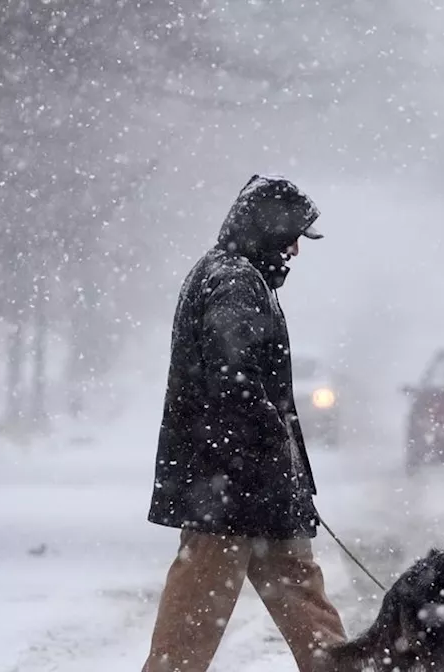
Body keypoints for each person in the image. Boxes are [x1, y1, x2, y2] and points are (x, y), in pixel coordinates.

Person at [142, 174, 345, 672]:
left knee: (306, 611)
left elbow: (239, 388)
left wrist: (284, 477)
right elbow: (233, 384)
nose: (296, 250)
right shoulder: (234, 280)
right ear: (266, 231)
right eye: (291, 236)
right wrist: (269, 454)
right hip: (230, 491)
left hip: (250, 490)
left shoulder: (235, 275)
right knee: (190, 632)